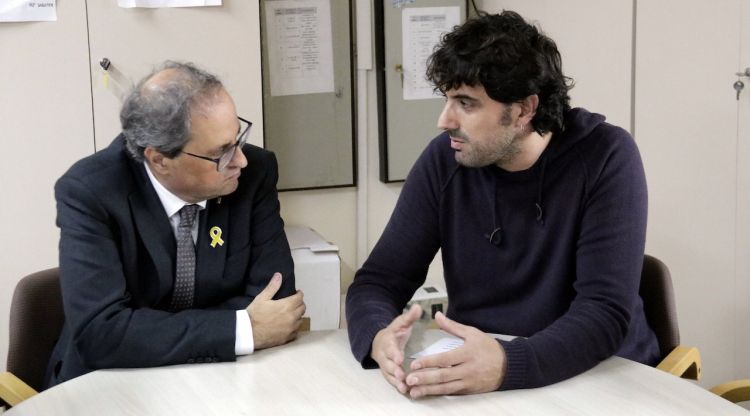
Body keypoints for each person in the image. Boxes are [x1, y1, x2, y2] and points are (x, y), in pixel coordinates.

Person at [346, 11, 659, 398]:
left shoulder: (605, 155)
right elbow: (378, 281)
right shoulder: (445, 160)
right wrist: (380, 337)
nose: (445, 120)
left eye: (466, 103)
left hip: (603, 377)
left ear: (525, 109)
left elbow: (603, 313)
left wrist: (509, 364)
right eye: (447, 99)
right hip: (487, 377)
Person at [46, 61, 305, 387]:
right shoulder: (91, 192)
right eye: (221, 152)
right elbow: (103, 333)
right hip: (107, 384)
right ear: (159, 160)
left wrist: (145, 329)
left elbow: (276, 302)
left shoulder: (255, 174)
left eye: (237, 137)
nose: (240, 160)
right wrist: (242, 328)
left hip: (223, 380)